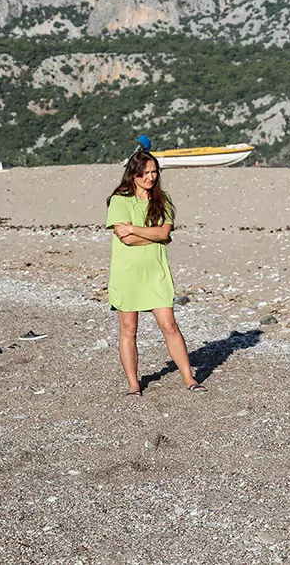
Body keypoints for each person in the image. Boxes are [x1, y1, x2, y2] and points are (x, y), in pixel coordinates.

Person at [106, 152, 206, 396]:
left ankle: (189, 378)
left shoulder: (163, 200)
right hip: (127, 274)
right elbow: (128, 240)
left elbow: (164, 234)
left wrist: (136, 229)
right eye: (146, 172)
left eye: (154, 172)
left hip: (156, 272)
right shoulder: (120, 200)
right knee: (129, 329)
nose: (151, 177)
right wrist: (154, 235)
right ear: (134, 173)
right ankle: (133, 384)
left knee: (169, 325)